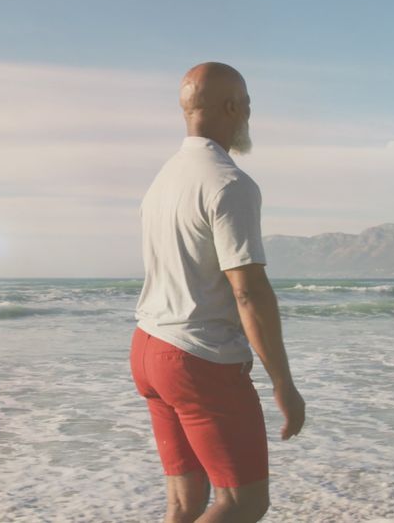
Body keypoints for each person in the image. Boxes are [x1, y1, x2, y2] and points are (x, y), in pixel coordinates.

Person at [131, 61, 306, 522]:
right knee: (243, 502)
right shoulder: (229, 184)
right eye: (247, 105)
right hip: (198, 360)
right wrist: (283, 383)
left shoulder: (164, 179)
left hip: (149, 349)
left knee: (184, 502)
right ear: (233, 107)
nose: (249, 114)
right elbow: (248, 291)